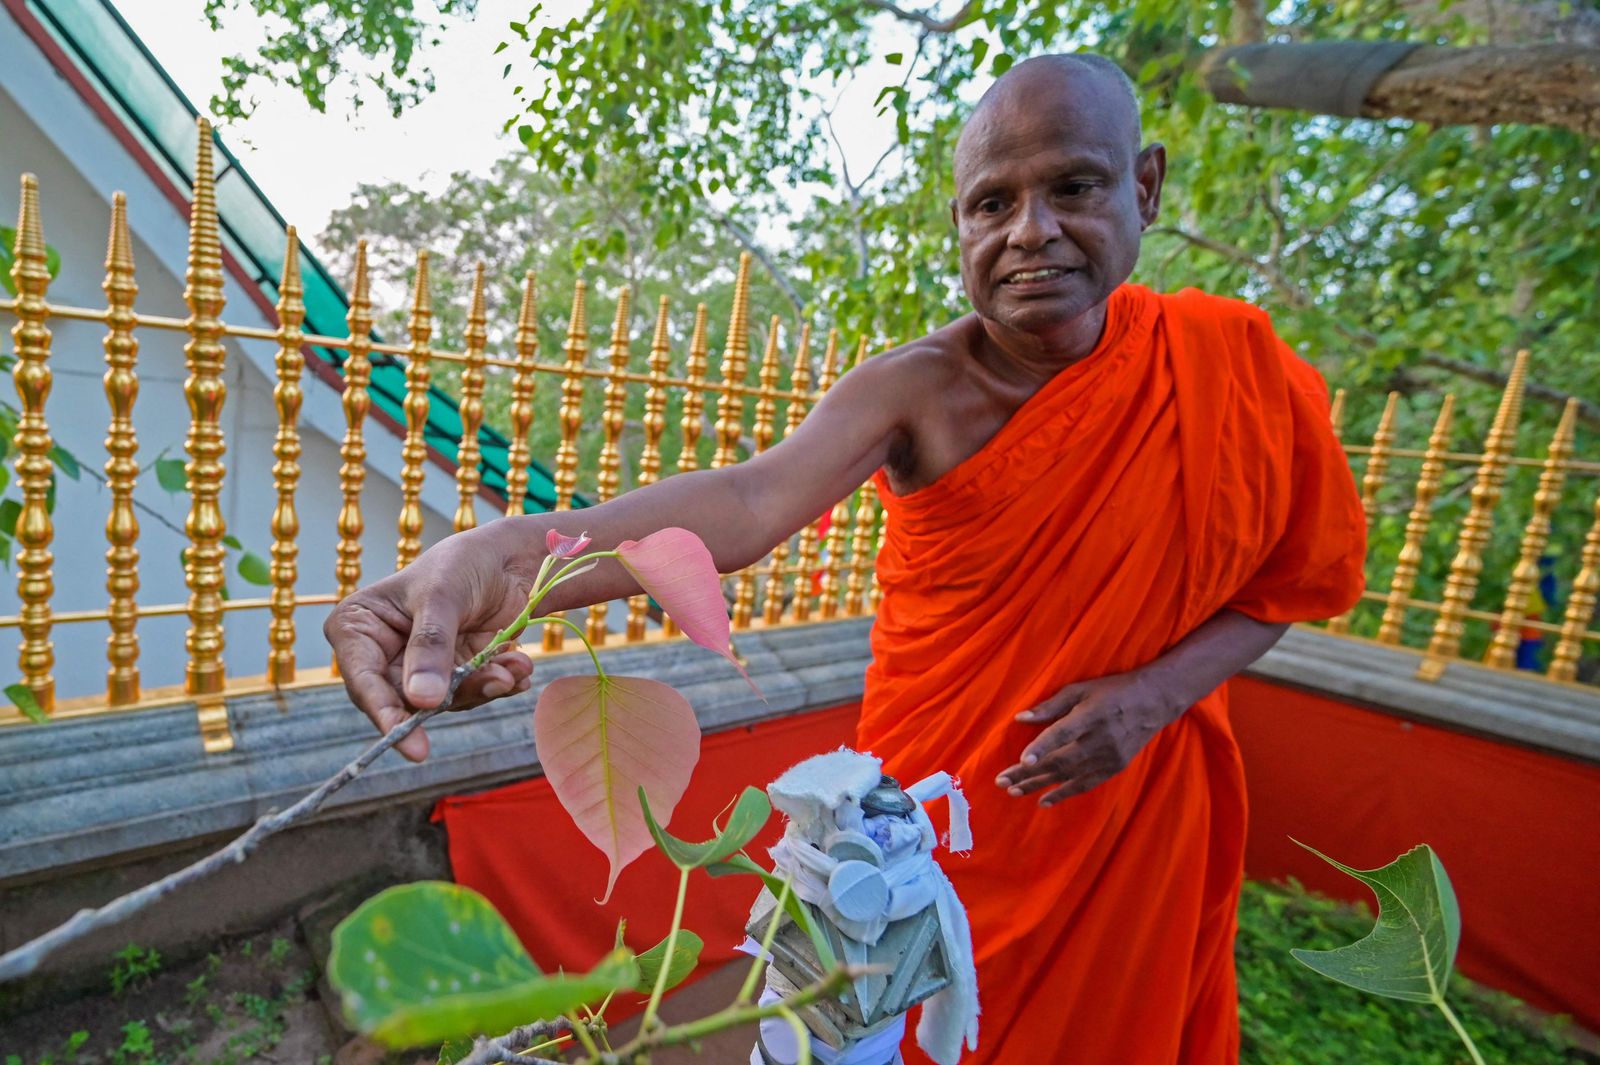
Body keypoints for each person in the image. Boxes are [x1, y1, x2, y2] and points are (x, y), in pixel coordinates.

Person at [326, 53, 1366, 1064]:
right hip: (923, 824)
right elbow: (746, 498)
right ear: (959, 226)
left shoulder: (1233, 367)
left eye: (1073, 187)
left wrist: (1151, 699)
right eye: (990, 205)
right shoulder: (919, 390)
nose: (1030, 232)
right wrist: (500, 561)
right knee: (867, 1030)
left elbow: (1284, 586)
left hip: (1136, 805)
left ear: (1144, 187)